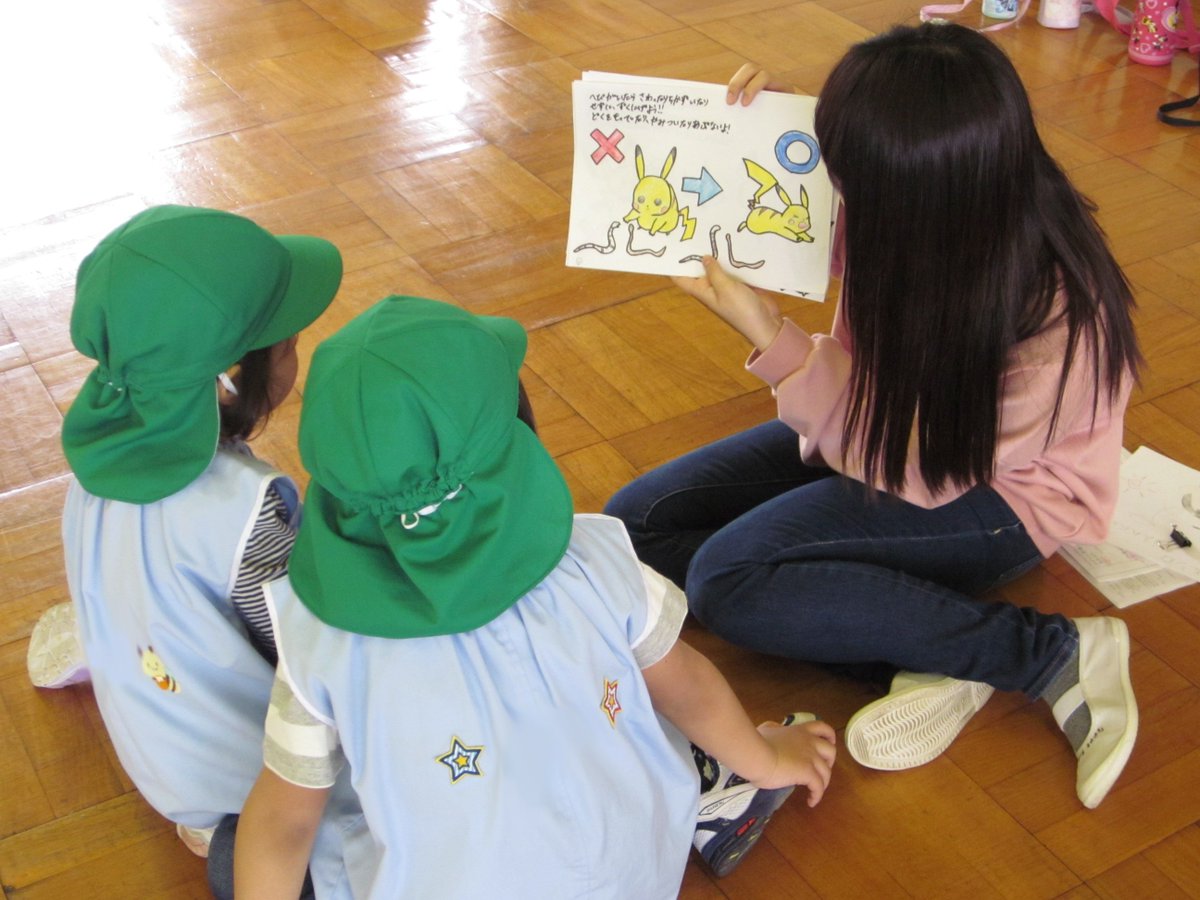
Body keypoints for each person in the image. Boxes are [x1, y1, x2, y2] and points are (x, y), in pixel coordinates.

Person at [603, 22, 1141, 810]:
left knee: (730, 578)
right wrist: (744, 139)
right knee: (636, 525)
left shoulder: (1062, 320)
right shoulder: (923, 202)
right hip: (870, 414)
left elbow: (920, 468)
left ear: (918, 189)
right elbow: (786, 229)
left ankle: (1042, 652)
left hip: (990, 494)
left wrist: (766, 334)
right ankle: (921, 650)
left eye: (851, 176)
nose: (837, 193)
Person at [232, 296, 838, 899]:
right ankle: (720, 801)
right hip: (636, 880)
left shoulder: (319, 641)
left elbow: (284, 819)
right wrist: (766, 760)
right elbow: (689, 687)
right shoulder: (597, 561)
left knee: (292, 832)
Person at [26, 204, 362, 898]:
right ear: (241, 373)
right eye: (290, 338)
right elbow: (314, 663)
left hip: (161, 757)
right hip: (250, 786)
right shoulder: (248, 511)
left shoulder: (96, 464)